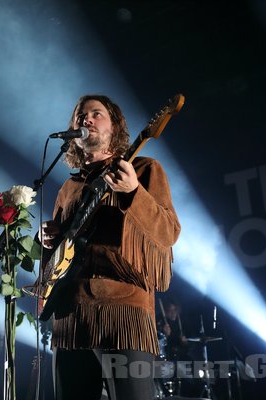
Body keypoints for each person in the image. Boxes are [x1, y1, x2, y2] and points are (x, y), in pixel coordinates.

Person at [39, 94, 181, 400]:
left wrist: (133, 192)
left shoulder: (143, 168)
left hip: (121, 311)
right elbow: (60, 257)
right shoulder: (68, 188)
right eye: (80, 116)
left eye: (96, 114)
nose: (85, 120)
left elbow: (168, 233)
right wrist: (47, 240)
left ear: (115, 127)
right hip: (70, 318)